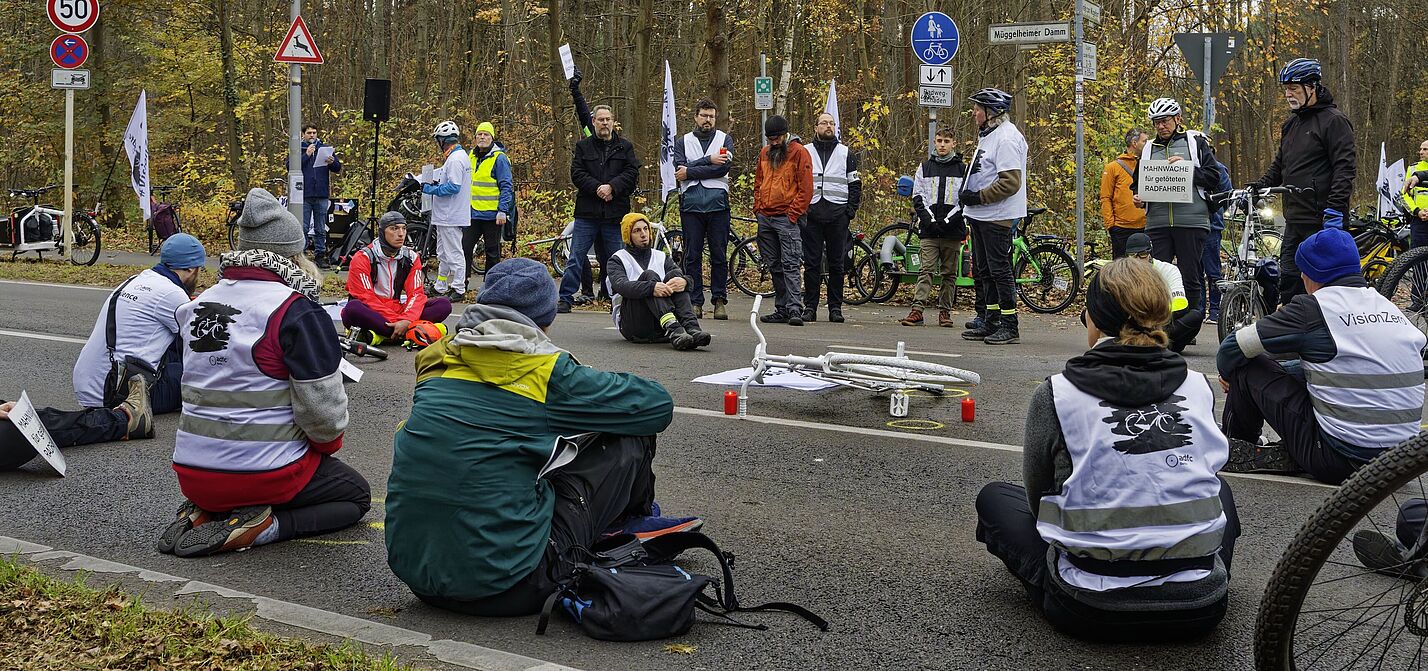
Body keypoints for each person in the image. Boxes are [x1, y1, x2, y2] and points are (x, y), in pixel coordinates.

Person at [384, 257, 702, 616]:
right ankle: (625, 526)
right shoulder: (546, 370)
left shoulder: (435, 358)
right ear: (546, 318)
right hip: (509, 583)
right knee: (627, 432)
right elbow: (656, 405)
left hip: (418, 576)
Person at [975, 258, 1239, 642]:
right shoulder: (1198, 385)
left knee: (995, 499)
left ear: (1092, 320)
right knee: (1222, 493)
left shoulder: (1057, 393)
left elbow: (1039, 497)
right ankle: (1185, 575)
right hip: (1200, 605)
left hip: (1089, 607)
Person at [157, 187, 370, 558]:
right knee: (355, 495)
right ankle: (264, 527)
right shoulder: (296, 311)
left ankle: (208, 512)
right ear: (294, 255)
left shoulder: (197, 305)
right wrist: (325, 449)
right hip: (262, 474)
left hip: (191, 472)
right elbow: (323, 418)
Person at [1217, 227, 1425, 484]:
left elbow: (1233, 347)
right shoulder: (1385, 305)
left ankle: (1237, 446)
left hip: (1340, 460)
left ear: (1314, 275)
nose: (1302, 278)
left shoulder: (1314, 308)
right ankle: (1296, 448)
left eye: (1303, 271)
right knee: (1300, 367)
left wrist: (1227, 373)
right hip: (1401, 463)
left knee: (1247, 365)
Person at [72, 232, 208, 430]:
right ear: (190, 267)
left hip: (90, 386)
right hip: (117, 394)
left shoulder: (135, 280)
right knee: (203, 368)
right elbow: (201, 343)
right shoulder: (172, 293)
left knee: (173, 342)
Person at [1252, 58, 1357, 307]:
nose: (1288, 94)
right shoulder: (1291, 124)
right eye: (1286, 89)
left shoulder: (1334, 121)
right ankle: (1292, 334)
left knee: (1323, 283)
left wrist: (1335, 208)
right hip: (1295, 217)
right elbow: (1281, 165)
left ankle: (1325, 334)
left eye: (1294, 89)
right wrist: (1260, 185)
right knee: (1289, 277)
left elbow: (1345, 168)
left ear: (1312, 87)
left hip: (1323, 217)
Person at [1132, 98, 1220, 319]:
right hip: (1158, 223)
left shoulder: (1196, 143)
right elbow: (1138, 181)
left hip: (1192, 221)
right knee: (1157, 275)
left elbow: (1213, 178)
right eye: (1156, 122)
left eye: (1165, 121)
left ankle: (1188, 323)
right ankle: (1161, 322)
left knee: (1190, 275)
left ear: (1178, 119)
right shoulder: (1149, 148)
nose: (1161, 126)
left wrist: (1187, 169)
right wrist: (1138, 197)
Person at [960, 88, 1028, 345]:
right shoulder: (989, 135)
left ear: (991, 113)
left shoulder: (1007, 138)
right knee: (984, 270)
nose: (974, 113)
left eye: (978, 108)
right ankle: (991, 320)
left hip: (997, 215)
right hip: (981, 215)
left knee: (1000, 271)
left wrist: (978, 197)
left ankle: (1010, 325)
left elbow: (1010, 182)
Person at [560, 104, 640, 313]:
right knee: (576, 257)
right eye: (601, 119)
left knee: (618, 259)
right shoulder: (582, 147)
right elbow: (577, 174)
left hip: (615, 215)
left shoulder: (625, 147)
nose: (605, 123)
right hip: (587, 214)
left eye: (608, 119)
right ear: (594, 121)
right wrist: (597, 188)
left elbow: (632, 174)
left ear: (613, 122)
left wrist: (612, 187)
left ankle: (623, 300)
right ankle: (565, 298)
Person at [342, 211, 453, 344]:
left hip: (398, 311)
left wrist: (407, 319)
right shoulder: (362, 257)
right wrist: (400, 322)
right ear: (382, 232)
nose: (401, 234)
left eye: (404, 228)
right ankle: (416, 331)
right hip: (372, 311)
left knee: (443, 305)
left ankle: (381, 335)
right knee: (352, 309)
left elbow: (416, 294)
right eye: (394, 229)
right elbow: (366, 297)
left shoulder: (411, 257)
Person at [606, 213, 711, 350]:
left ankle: (692, 328)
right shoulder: (617, 259)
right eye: (637, 231)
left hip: (659, 323)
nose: (643, 234)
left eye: (646, 229)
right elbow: (622, 286)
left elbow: (684, 278)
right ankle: (674, 329)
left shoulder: (661, 256)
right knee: (649, 276)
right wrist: (651, 287)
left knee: (675, 276)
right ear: (628, 236)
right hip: (633, 325)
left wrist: (685, 282)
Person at [674, 98, 735, 321]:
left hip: (718, 205)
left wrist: (690, 171)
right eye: (703, 115)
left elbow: (723, 169)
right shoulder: (683, 141)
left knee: (719, 254)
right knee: (692, 255)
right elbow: (677, 168)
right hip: (691, 206)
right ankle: (695, 301)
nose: (707, 120)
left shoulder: (724, 139)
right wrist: (709, 160)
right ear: (695, 117)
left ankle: (719, 300)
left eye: (711, 116)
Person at [801, 112, 862, 324]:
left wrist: (849, 212)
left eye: (831, 123)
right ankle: (810, 307)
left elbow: (855, 184)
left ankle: (835, 308)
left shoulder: (846, 153)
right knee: (811, 263)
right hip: (812, 215)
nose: (828, 126)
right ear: (816, 127)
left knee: (838, 264)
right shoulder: (805, 152)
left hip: (837, 216)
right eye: (824, 123)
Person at [902, 127, 966, 327]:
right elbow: (918, 196)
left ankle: (945, 312)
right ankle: (917, 310)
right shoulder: (924, 167)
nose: (942, 145)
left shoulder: (963, 169)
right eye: (939, 140)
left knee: (949, 273)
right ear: (934, 143)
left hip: (952, 230)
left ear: (953, 143)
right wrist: (930, 221)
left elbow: (964, 201)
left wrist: (947, 221)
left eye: (947, 141)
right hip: (929, 230)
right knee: (926, 270)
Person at [754, 115, 813, 327]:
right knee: (774, 266)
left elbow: (806, 188)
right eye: (770, 138)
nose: (774, 142)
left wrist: (793, 215)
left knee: (790, 264)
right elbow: (759, 182)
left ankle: (795, 308)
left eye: (777, 138)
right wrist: (758, 209)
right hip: (766, 218)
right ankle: (782, 308)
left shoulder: (799, 152)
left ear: (785, 134)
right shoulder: (764, 153)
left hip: (786, 218)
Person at [1123, 232, 1203, 352]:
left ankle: (1156, 342)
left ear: (1150, 253)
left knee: (1195, 316)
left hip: (1160, 324)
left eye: (1143, 254)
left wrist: (1152, 322)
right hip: (1132, 324)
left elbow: (1181, 304)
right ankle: (1145, 341)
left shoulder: (1168, 269)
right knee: (1087, 315)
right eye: (1132, 256)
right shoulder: (1121, 272)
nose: (1138, 260)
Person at [423, 121, 473, 300]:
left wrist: (432, 190)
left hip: (450, 215)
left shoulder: (455, 159)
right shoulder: (456, 157)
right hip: (445, 215)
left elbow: (453, 187)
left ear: (443, 140)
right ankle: (441, 284)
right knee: (443, 253)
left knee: (454, 253)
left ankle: (459, 288)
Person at [466, 122, 514, 278]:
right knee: (465, 248)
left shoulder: (499, 158)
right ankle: (462, 284)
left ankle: (491, 286)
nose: (482, 137)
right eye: (479, 134)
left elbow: (506, 186)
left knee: (492, 252)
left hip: (492, 215)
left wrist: (502, 210)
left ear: (492, 138)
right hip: (472, 213)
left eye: (486, 134)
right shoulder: (470, 156)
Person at [1099, 129, 1147, 258]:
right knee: (1121, 270)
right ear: (1134, 143)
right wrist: (1111, 225)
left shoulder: (1147, 165)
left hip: (1145, 226)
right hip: (1121, 228)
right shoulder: (1113, 167)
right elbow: (1105, 197)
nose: (1147, 144)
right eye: (1144, 141)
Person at [300, 124, 342, 268]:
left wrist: (333, 162)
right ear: (303, 135)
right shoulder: (299, 149)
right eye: (309, 133)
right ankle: (302, 255)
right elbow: (290, 166)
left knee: (320, 227)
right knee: (303, 227)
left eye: (314, 132)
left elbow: (337, 168)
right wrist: (306, 155)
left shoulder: (324, 148)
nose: (312, 135)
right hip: (304, 194)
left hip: (321, 193)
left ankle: (320, 255)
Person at [1202, 157, 1235, 323]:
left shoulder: (1218, 168)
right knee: (1194, 271)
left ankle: (1215, 310)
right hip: (1191, 227)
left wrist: (1215, 211)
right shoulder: (1184, 166)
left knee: (1212, 269)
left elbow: (1227, 196)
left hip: (1211, 226)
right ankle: (1199, 310)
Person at [1403, 140, 1428, 251]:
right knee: (1417, 256)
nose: (1421, 152)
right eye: (1420, 149)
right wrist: (1417, 211)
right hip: (1419, 220)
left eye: (1425, 149)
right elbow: (1404, 195)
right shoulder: (1413, 168)